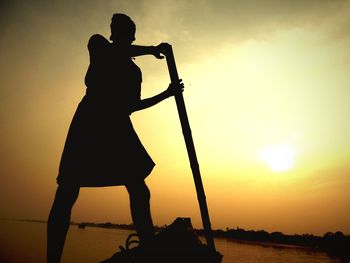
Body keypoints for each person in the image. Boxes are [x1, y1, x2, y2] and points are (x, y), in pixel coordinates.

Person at [47, 13, 183, 263]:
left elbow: (132, 105)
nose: (120, 35)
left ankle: (149, 249)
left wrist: (166, 94)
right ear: (113, 34)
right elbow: (115, 53)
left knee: (139, 189)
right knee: (67, 190)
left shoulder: (134, 72)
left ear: (131, 35)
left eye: (126, 31)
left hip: (118, 126)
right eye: (116, 30)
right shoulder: (98, 44)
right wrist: (153, 49)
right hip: (89, 122)